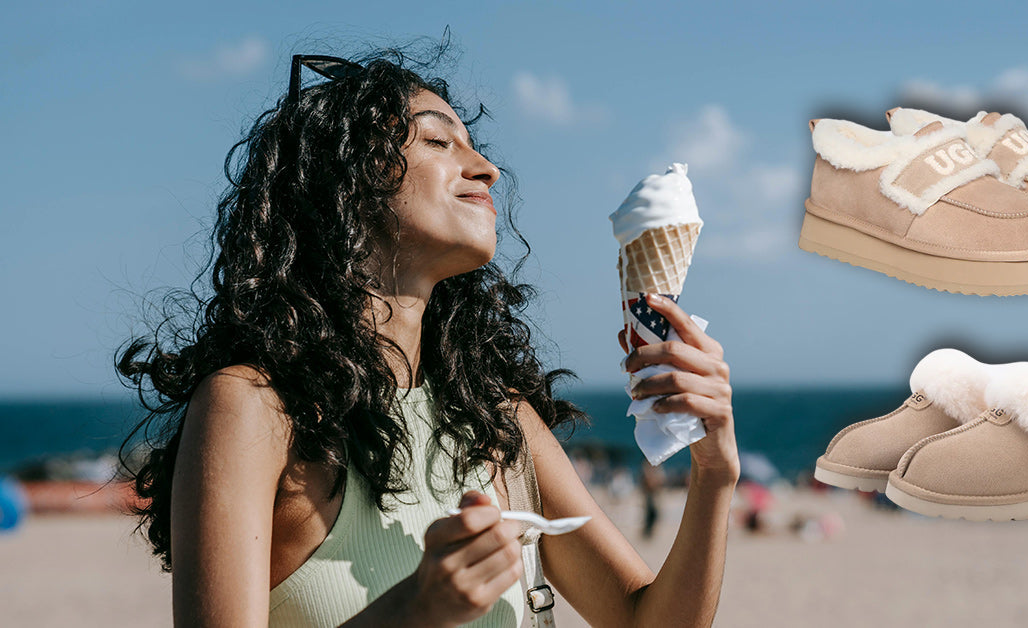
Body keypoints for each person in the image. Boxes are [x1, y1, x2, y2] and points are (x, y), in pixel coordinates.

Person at [117, 44, 738, 628]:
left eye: (475, 147)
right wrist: (416, 608)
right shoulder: (252, 407)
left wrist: (713, 474)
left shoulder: (497, 417)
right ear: (345, 182)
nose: (488, 169)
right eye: (439, 141)